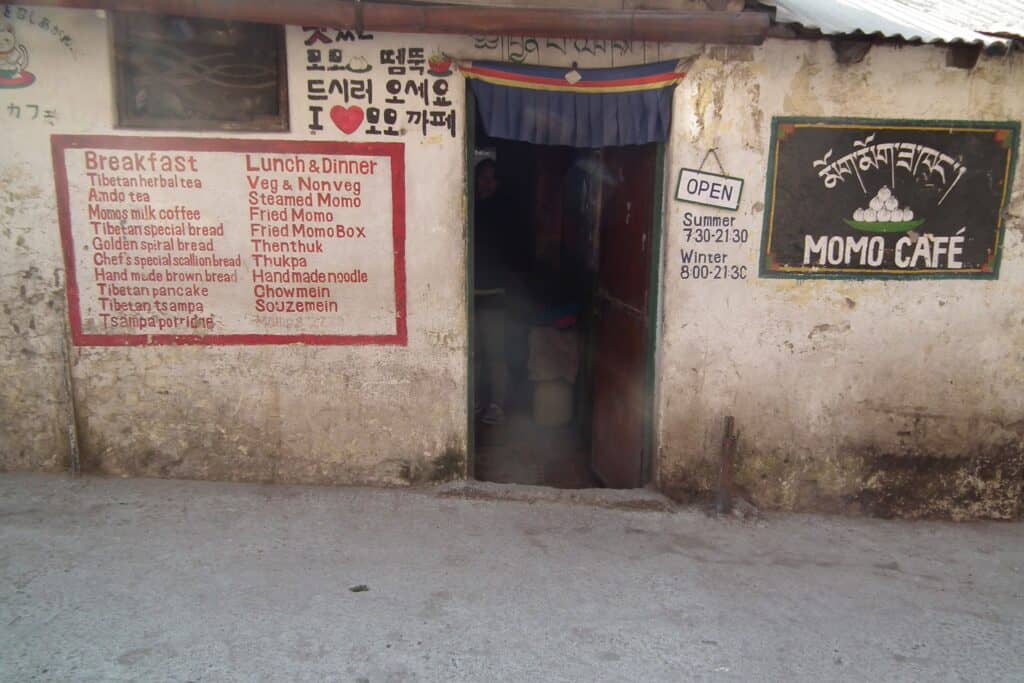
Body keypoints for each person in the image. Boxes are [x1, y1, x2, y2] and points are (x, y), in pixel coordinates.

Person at [473, 159, 509, 425]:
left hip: (495, 294)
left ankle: (497, 404)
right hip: (467, 295)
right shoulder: (466, 206)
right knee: (472, 353)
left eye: (491, 178)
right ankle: (473, 401)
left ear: (498, 183)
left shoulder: (504, 213)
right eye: (482, 177)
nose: (486, 183)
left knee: (496, 353)